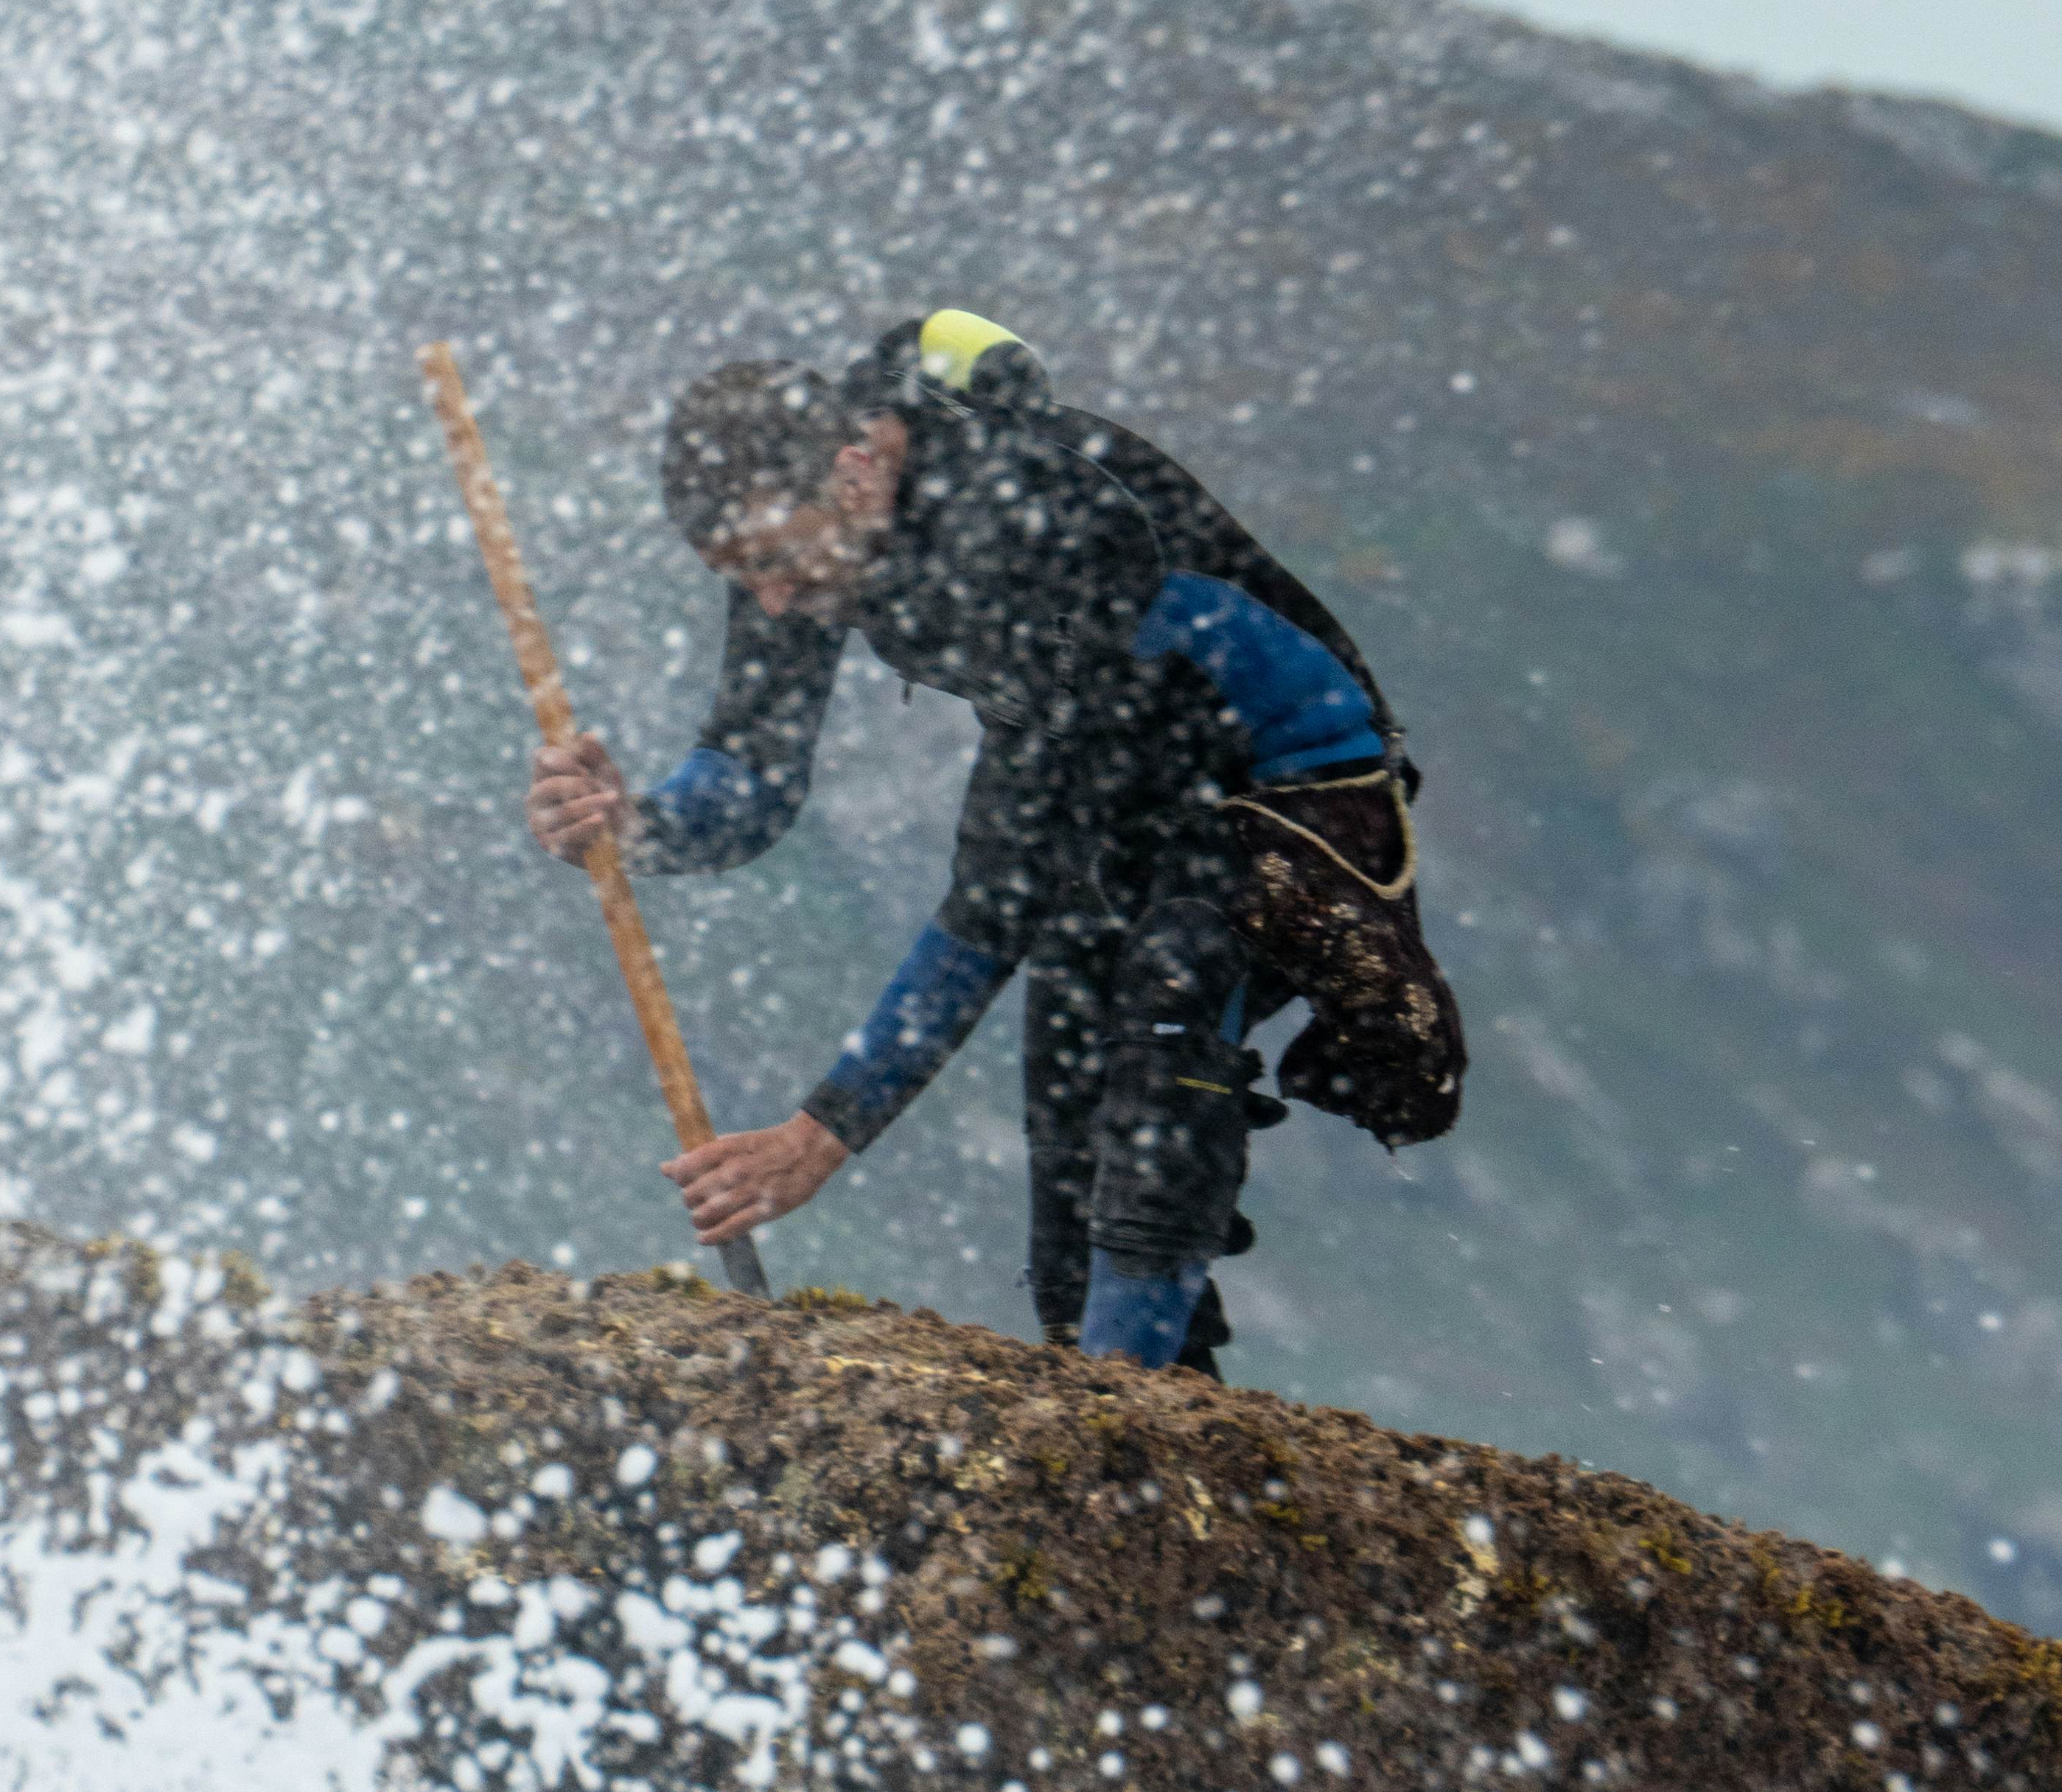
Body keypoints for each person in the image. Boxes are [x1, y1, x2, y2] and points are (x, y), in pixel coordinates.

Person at [524, 309, 1420, 1371]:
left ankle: (1125, 1411)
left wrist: (822, 1133)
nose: (771, 597)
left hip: (1299, 783)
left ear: (856, 471)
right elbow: (755, 778)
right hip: (1122, 781)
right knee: (1070, 1135)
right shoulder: (803, 536)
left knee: (1169, 1002)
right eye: (740, 574)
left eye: (773, 562)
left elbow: (997, 896)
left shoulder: (1039, 526)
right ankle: (1131, 1410)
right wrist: (635, 825)